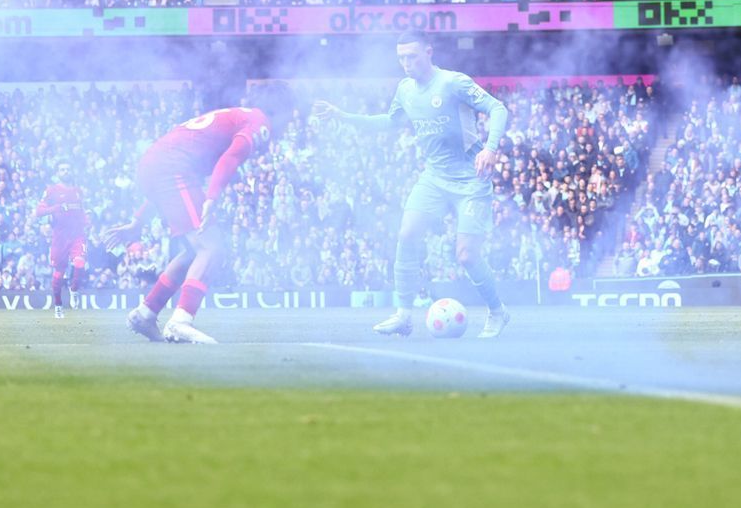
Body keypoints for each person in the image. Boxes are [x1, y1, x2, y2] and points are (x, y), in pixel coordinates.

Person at [312, 30, 513, 338]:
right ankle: (404, 314)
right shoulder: (405, 89)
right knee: (406, 234)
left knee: (466, 255)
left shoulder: (452, 82)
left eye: (412, 56)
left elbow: (497, 108)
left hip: (471, 179)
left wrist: (491, 147)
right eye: (402, 58)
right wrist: (343, 116)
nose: (406, 63)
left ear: (428, 52)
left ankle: (497, 312)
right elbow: (389, 122)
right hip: (433, 177)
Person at [103, 84, 296, 344]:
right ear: (281, 110)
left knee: (194, 252)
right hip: (171, 169)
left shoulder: (239, 115)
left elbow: (163, 177)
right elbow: (232, 157)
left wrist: (138, 221)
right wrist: (212, 198)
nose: (288, 125)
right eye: (290, 115)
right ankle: (180, 322)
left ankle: (146, 313)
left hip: (159, 166)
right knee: (212, 248)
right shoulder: (260, 121)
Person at [34, 161, 89, 319]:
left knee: (80, 263)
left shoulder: (78, 191)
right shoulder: (51, 191)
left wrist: (87, 221)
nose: (66, 171)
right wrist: (55, 208)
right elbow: (39, 211)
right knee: (59, 272)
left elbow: (82, 210)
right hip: (60, 237)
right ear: (58, 172)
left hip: (77, 234)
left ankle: (74, 289)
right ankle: (58, 305)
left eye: (68, 169)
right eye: (62, 169)